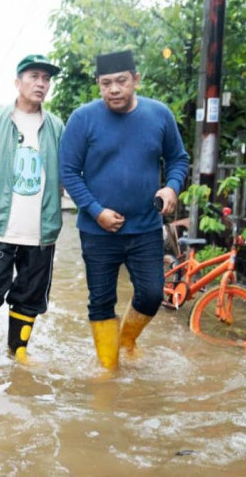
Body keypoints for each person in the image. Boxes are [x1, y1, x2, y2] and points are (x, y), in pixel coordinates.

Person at [60, 50, 189, 371]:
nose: (114, 89)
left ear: (135, 80)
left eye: (121, 81)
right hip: (97, 230)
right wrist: (95, 210)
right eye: (106, 84)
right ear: (98, 84)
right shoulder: (83, 119)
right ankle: (108, 369)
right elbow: (68, 171)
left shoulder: (159, 115)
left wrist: (171, 186)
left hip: (145, 226)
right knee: (101, 301)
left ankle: (127, 340)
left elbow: (178, 159)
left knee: (150, 293)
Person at [0, 54, 65, 362]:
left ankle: (19, 352)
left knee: (31, 294)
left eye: (46, 79)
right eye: (34, 76)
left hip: (40, 230)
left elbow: (62, 174)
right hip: (0, 225)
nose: (41, 84)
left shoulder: (56, 126)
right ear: (17, 82)